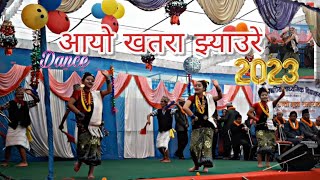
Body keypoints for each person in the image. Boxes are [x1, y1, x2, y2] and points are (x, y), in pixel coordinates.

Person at [67, 71, 112, 179]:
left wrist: (108, 78)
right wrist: (78, 113)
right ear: (82, 81)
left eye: (92, 80)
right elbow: (70, 104)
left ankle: (90, 173)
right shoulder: (78, 92)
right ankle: (79, 161)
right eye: (88, 79)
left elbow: (109, 90)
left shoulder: (97, 94)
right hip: (84, 127)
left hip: (96, 128)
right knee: (83, 149)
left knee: (94, 151)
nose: (90, 81)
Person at [183, 80, 222, 173]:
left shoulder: (209, 97)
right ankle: (196, 165)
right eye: (195, 86)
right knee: (193, 147)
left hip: (208, 125)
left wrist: (217, 86)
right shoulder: (192, 98)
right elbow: (185, 107)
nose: (196, 87)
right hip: (197, 125)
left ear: (204, 88)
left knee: (206, 146)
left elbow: (220, 96)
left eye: (199, 86)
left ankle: (205, 166)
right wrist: (193, 116)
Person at [0, 87, 39, 167]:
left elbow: (37, 101)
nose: (20, 95)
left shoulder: (26, 103)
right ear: (15, 95)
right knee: (8, 144)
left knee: (20, 144)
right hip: (12, 127)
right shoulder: (10, 103)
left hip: (22, 127)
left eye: (21, 94)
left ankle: (24, 162)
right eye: (18, 94)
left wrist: (31, 94)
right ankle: (6, 162)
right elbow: (2, 108)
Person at [247, 86, 285, 168]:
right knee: (262, 145)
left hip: (270, 127)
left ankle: (267, 162)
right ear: (260, 96)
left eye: (266, 95)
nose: (264, 96)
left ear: (268, 95)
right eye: (262, 95)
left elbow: (279, 99)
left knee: (270, 146)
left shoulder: (271, 104)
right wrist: (256, 118)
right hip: (260, 127)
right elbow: (249, 113)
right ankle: (259, 162)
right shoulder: (256, 104)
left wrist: (283, 93)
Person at [147, 96, 176, 163]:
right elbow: (149, 115)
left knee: (165, 144)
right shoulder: (158, 111)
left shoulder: (170, 111)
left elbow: (180, 111)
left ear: (166, 103)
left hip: (168, 130)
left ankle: (168, 159)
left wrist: (176, 104)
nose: (161, 102)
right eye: (161, 101)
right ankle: (164, 157)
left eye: (163, 101)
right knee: (158, 145)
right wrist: (148, 120)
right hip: (161, 130)